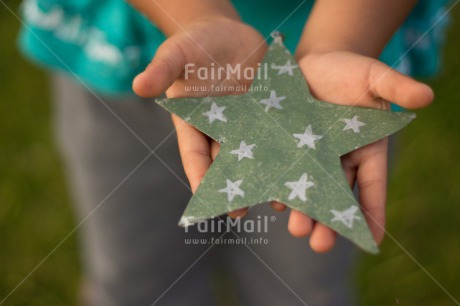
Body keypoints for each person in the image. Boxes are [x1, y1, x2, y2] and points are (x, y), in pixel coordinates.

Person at [18, 0, 449, 305]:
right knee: (134, 274)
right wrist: (196, 14)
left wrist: (341, 39)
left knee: (303, 287)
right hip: (124, 54)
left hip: (352, 46)